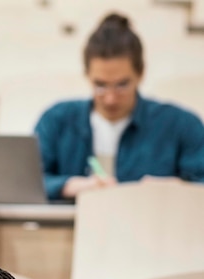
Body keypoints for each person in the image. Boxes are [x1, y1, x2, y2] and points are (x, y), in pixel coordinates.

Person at [35, 13, 204, 200]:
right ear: (87, 75)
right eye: (100, 85)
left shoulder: (181, 125)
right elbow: (27, 181)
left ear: (141, 73)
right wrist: (68, 186)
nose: (110, 99)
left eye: (122, 85)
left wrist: (180, 189)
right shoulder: (57, 120)